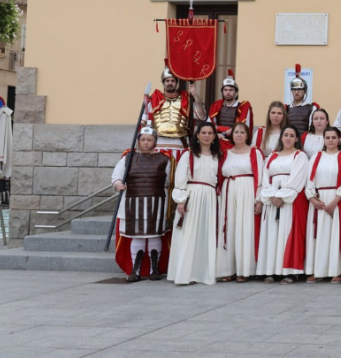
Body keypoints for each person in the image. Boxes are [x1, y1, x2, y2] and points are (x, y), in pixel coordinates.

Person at [111, 125, 174, 282]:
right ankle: (135, 270)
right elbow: (117, 175)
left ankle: (154, 269)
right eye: (143, 139)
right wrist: (118, 183)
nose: (146, 142)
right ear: (138, 141)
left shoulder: (164, 159)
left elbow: (170, 182)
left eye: (149, 140)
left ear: (155, 142)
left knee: (155, 235)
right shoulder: (128, 158)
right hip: (133, 204)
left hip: (157, 204)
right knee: (136, 236)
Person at [168, 121, 221, 286]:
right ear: (197, 135)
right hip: (191, 196)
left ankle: (203, 273)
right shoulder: (188, 155)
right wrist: (181, 200)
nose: (206, 136)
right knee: (188, 235)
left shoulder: (217, 156)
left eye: (210, 133)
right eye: (203, 133)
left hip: (210, 197)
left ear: (214, 137)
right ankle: (185, 274)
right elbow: (180, 179)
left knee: (205, 235)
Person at [257, 125, 311, 284]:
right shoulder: (272, 156)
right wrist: (270, 195)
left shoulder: (300, 156)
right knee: (272, 234)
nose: (288, 138)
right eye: (285, 135)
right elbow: (265, 177)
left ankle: (290, 271)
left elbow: (298, 178)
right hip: (272, 199)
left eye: (291, 135)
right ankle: (271, 270)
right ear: (281, 137)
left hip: (291, 199)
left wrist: (282, 196)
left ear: (296, 139)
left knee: (288, 232)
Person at [218, 121, 262, 282]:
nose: (239, 135)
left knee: (246, 228)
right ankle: (228, 269)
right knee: (229, 228)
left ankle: (245, 269)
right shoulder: (226, 153)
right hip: (229, 190)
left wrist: (259, 199)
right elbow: (220, 175)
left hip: (247, 189)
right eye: (236, 132)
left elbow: (260, 176)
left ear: (247, 136)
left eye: (242, 132)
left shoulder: (254, 152)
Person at [305, 126, 341, 284]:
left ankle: (335, 271)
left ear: (339, 139)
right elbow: (309, 180)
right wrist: (312, 198)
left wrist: (337, 199)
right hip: (319, 201)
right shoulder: (316, 157)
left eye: (333, 137)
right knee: (317, 236)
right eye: (327, 137)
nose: (330, 140)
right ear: (324, 139)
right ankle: (318, 270)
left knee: (334, 235)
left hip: (336, 200)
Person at [145, 62, 203, 150]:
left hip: (179, 141)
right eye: (167, 81)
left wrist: (196, 96)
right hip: (159, 141)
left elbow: (201, 116)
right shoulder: (155, 98)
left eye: (173, 81)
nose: (170, 83)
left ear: (176, 83)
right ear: (163, 83)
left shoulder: (185, 99)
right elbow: (145, 121)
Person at [207, 70, 252, 140]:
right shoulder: (216, 106)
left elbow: (246, 126)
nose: (228, 92)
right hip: (218, 139)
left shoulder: (243, 107)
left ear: (236, 92)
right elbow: (209, 125)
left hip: (235, 140)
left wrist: (233, 131)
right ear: (222, 92)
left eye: (231, 90)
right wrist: (216, 134)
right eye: (225, 90)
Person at [286, 64, 320, 140]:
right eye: (294, 89)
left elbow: (312, 130)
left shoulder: (311, 108)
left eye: (299, 89)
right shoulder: (286, 109)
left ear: (304, 91)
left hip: (305, 142)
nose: (296, 92)